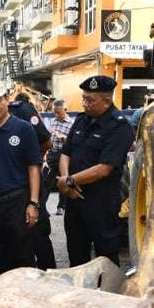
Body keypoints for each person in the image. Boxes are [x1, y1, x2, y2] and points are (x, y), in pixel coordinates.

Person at [0, 71, 55, 269]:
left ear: (6, 99)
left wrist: (33, 202)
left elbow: (34, 166)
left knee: (23, 256)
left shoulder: (23, 127)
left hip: (17, 201)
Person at [56, 75, 136, 267]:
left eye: (90, 100)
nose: (85, 104)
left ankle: (107, 288)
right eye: (84, 98)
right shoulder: (81, 120)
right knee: (76, 257)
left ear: (107, 101)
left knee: (105, 259)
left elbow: (104, 169)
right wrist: (66, 181)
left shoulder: (120, 127)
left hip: (101, 204)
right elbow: (66, 153)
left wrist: (69, 181)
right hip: (75, 200)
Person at [46, 99, 75, 215]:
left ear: (65, 110)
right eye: (54, 112)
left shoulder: (72, 124)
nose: (56, 114)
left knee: (64, 180)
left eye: (58, 112)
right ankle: (41, 206)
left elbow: (74, 142)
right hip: (52, 154)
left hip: (64, 156)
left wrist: (63, 138)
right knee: (47, 181)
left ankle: (61, 207)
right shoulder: (52, 122)